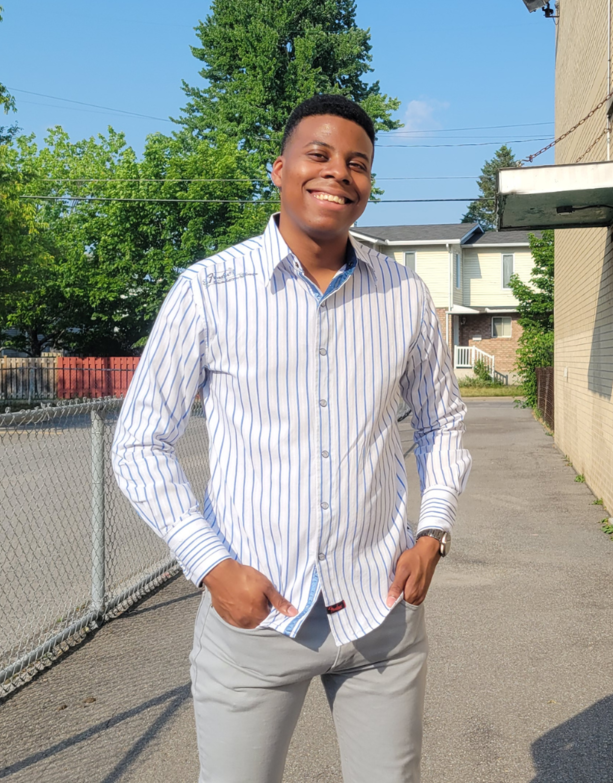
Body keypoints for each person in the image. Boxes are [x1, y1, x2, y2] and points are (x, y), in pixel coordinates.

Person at [111, 93, 471, 783]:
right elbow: (139, 442)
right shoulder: (208, 290)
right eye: (319, 155)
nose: (338, 172)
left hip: (381, 617)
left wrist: (433, 533)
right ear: (279, 170)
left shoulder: (403, 295)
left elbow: (441, 421)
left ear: (368, 185)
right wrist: (212, 567)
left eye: (357, 163)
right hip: (256, 616)